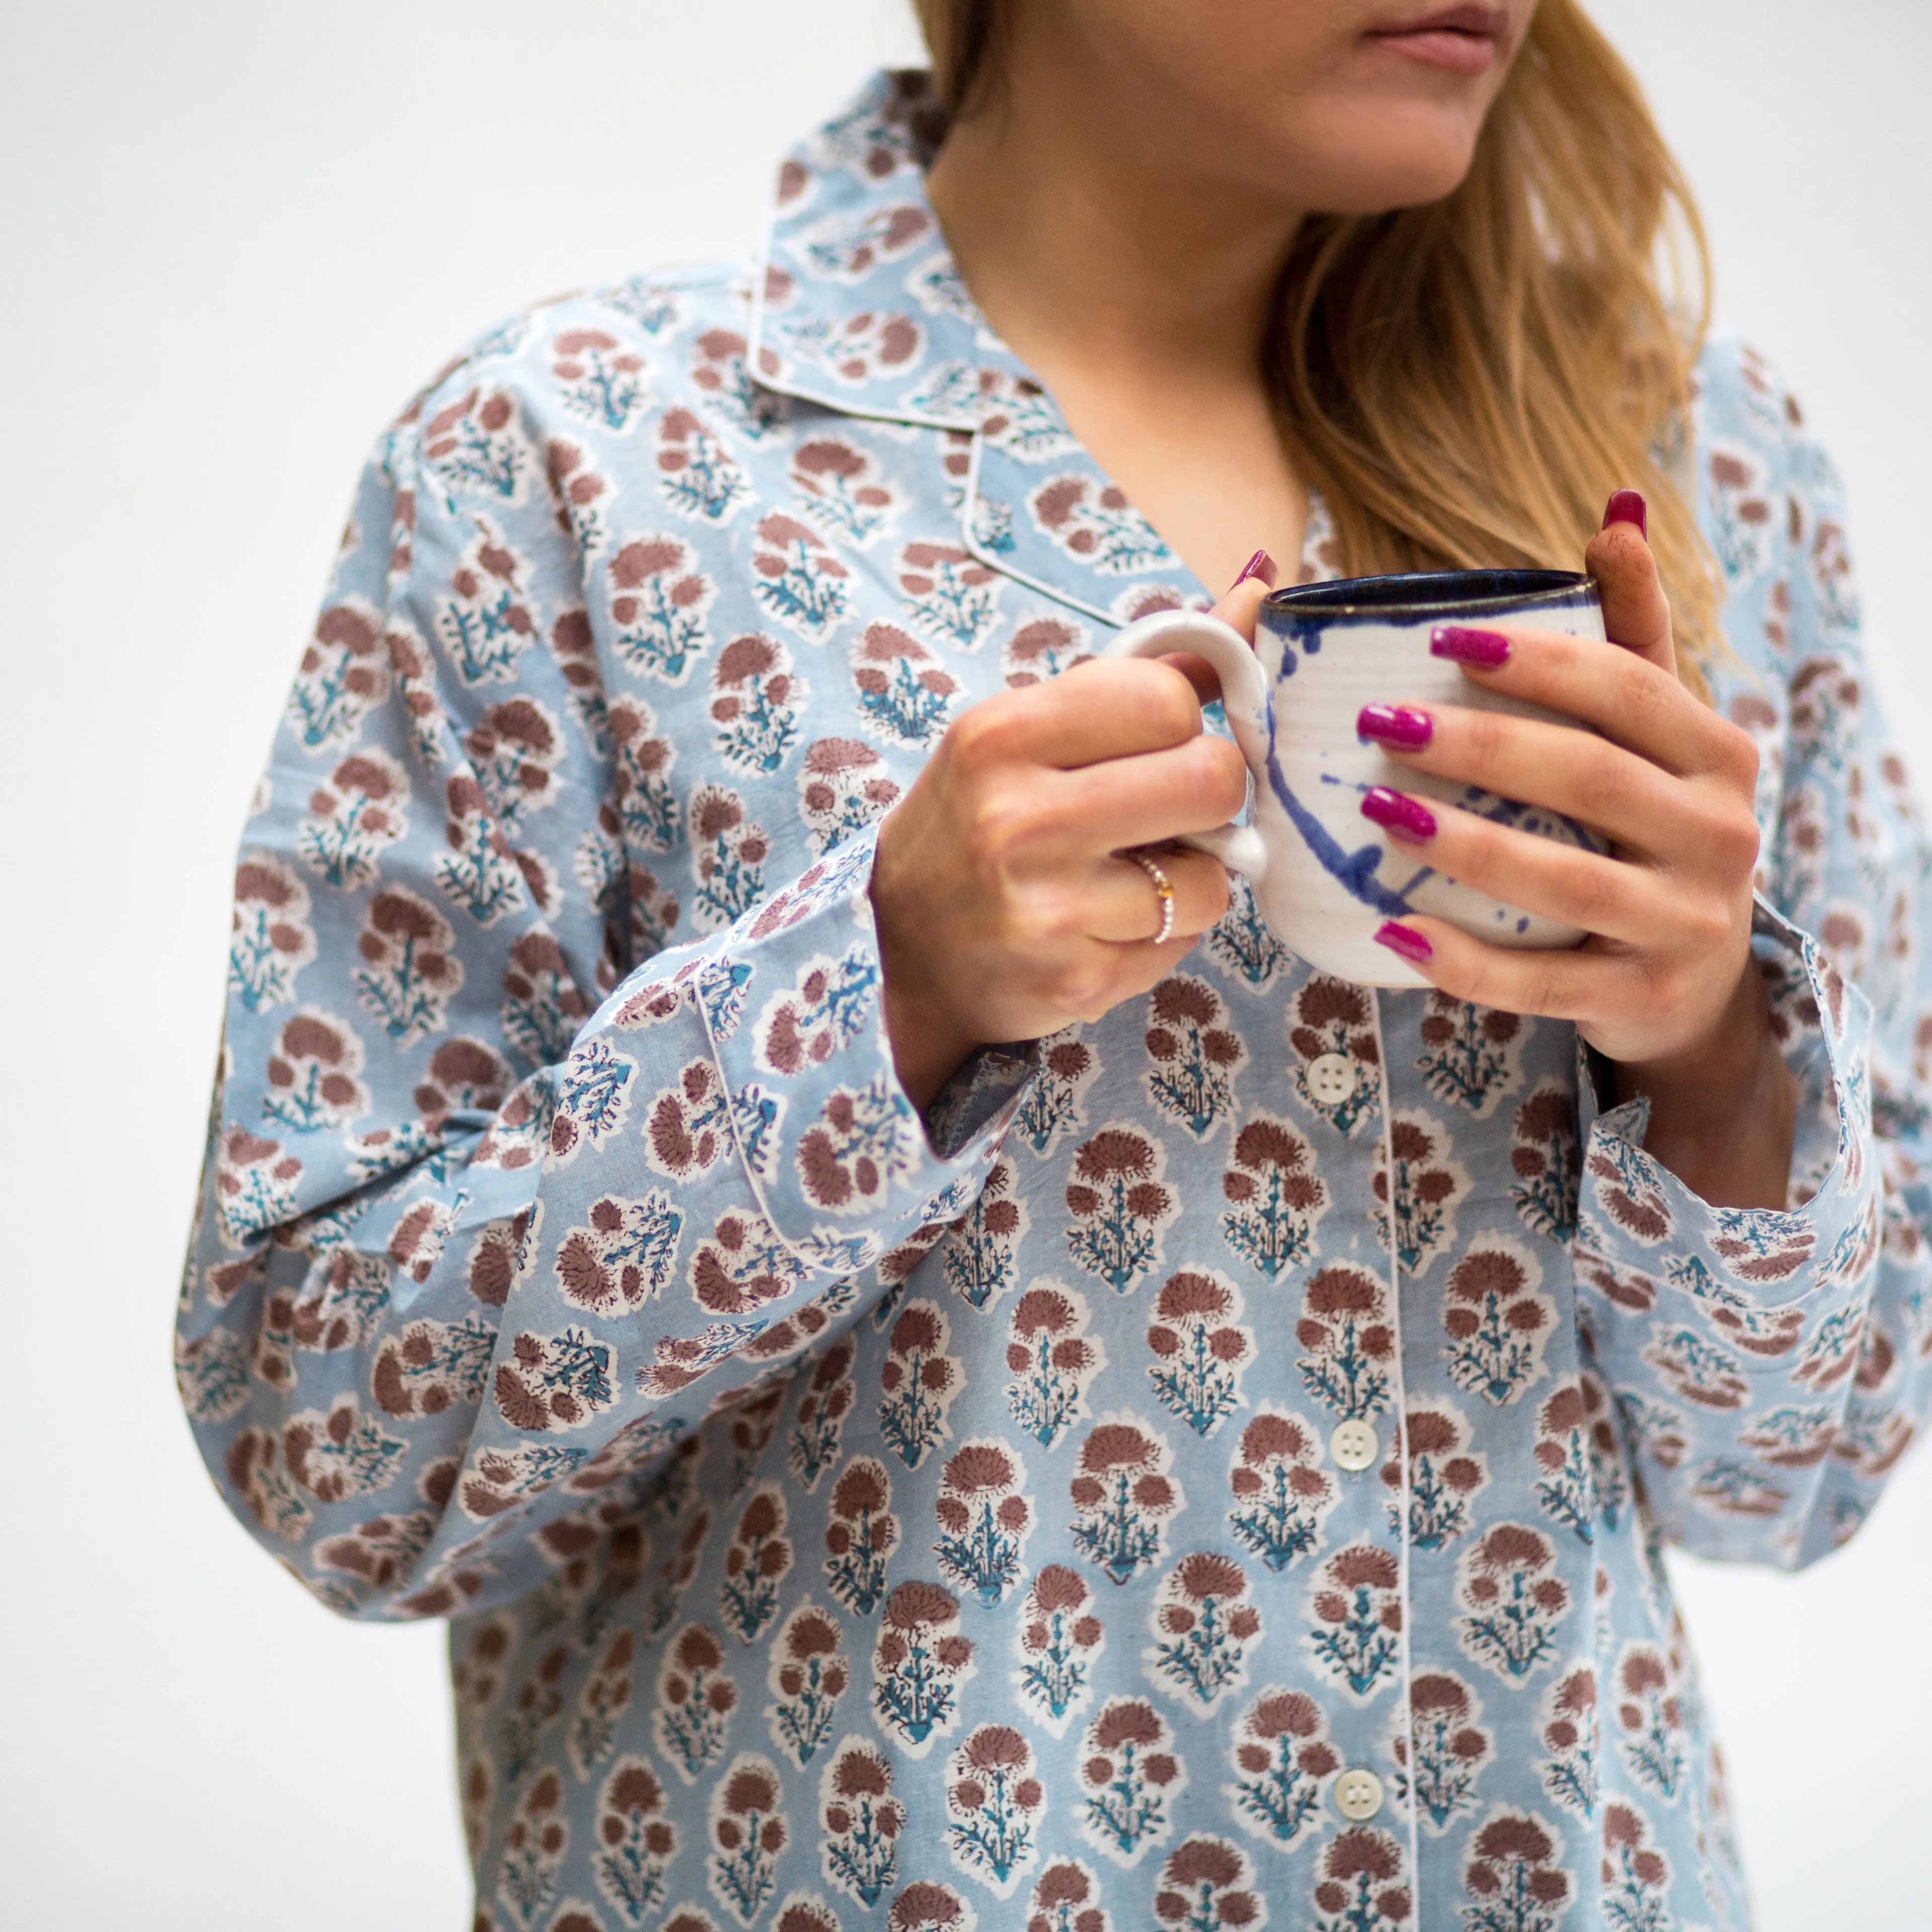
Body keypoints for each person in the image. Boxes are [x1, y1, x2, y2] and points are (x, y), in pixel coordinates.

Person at [177, 4, 1931, 1925]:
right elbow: (327, 1446)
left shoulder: (1696, 469)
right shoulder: (572, 468)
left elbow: (1813, 1470)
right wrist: (876, 995)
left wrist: (1717, 1064)